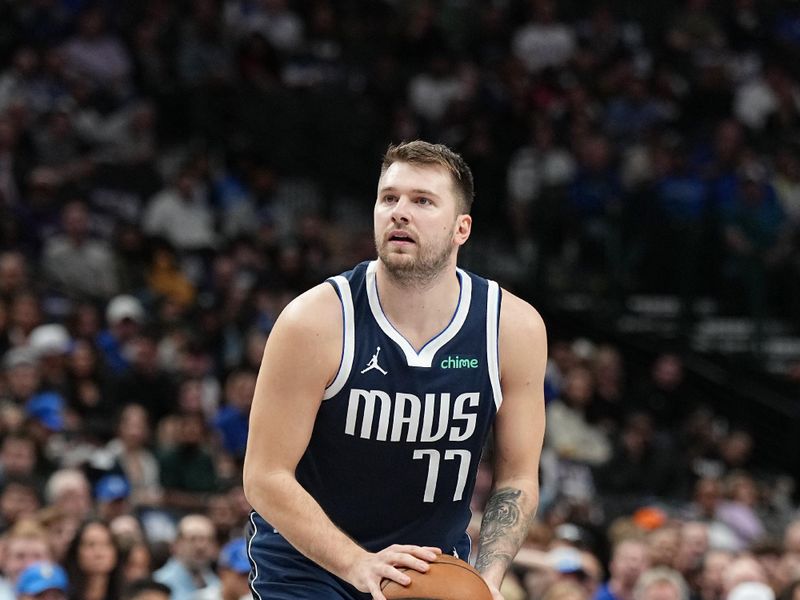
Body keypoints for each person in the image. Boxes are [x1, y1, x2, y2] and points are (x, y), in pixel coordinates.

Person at [243, 140, 547, 600]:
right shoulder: (316, 320)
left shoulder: (513, 328)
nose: (399, 212)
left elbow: (517, 478)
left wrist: (487, 579)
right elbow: (265, 475)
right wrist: (357, 563)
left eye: (422, 201)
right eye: (389, 198)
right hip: (308, 566)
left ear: (461, 228)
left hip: (427, 567)